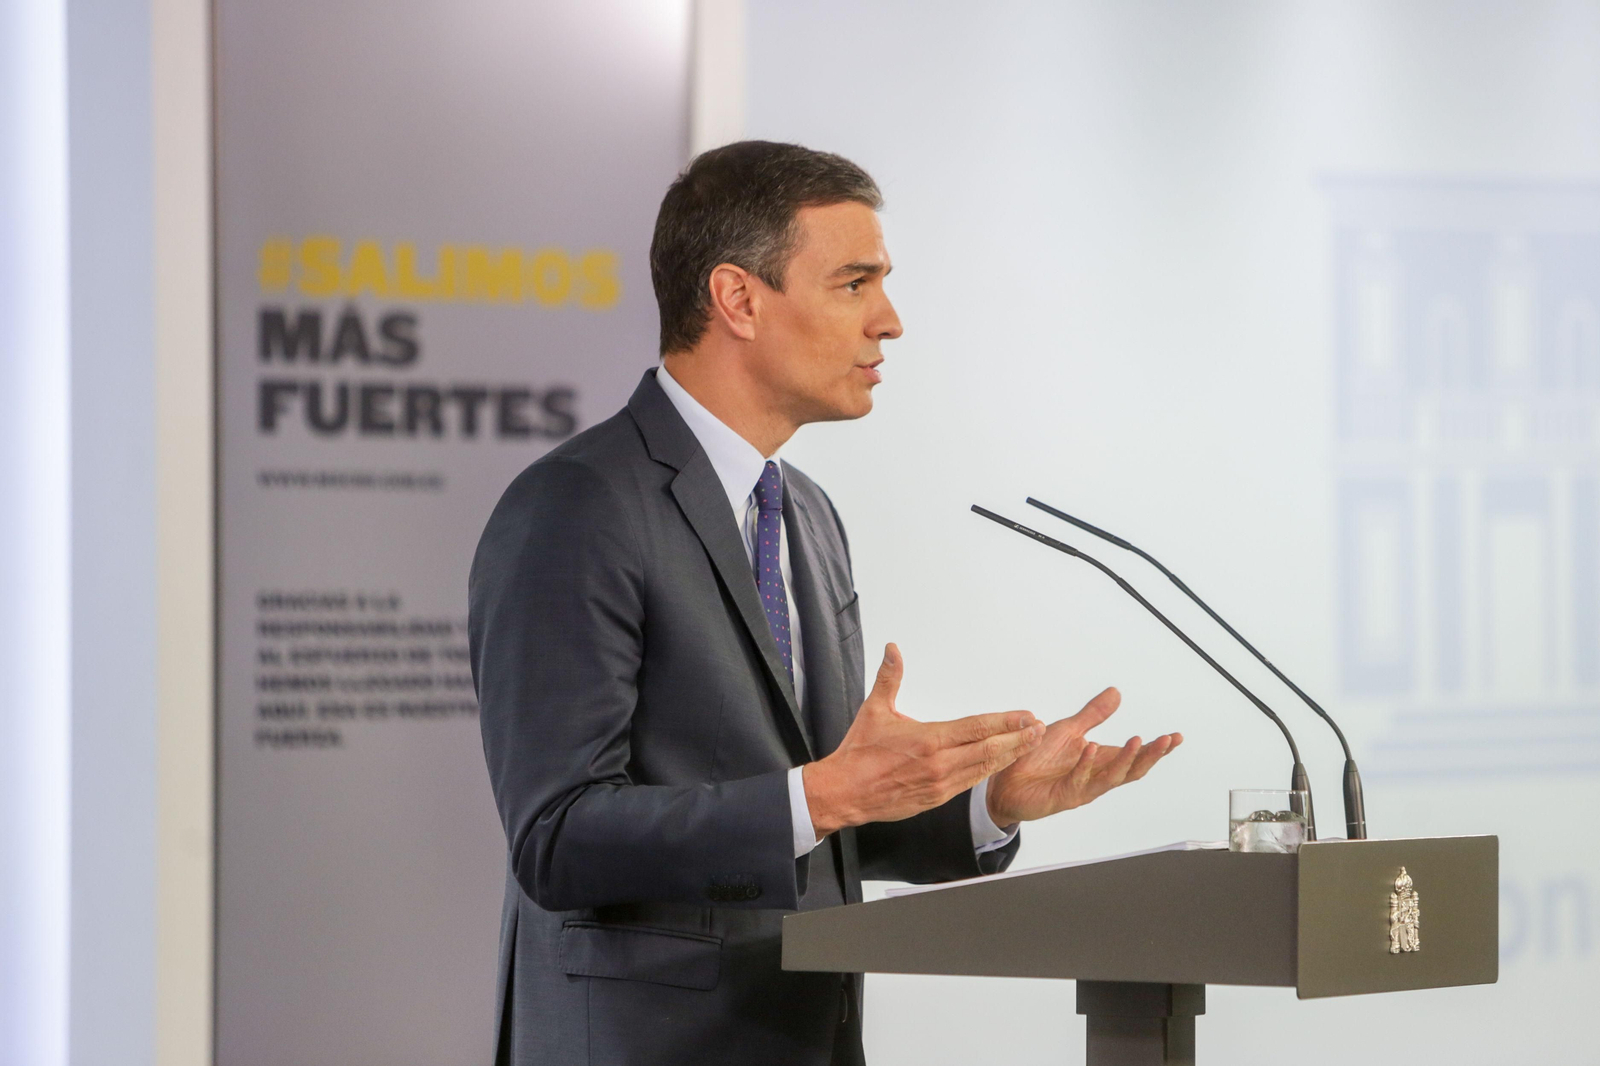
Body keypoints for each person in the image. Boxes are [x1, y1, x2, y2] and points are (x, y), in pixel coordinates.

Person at [468, 140, 1182, 1066]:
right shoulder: (576, 506)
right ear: (738, 299)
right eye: (855, 283)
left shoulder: (803, 511)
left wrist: (986, 804)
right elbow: (558, 839)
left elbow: (818, 816)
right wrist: (821, 792)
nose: (889, 321)